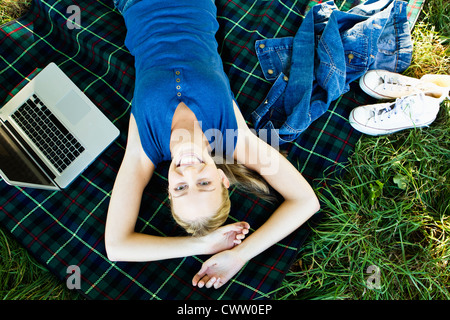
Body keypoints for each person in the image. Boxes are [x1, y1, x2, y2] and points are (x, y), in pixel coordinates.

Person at [105, 0, 320, 289]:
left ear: (168, 190)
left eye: (180, 188)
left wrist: (202, 244)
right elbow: (306, 202)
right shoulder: (234, 138)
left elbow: (117, 247)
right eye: (204, 184)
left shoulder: (143, 151)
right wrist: (241, 254)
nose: (189, 173)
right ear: (222, 178)